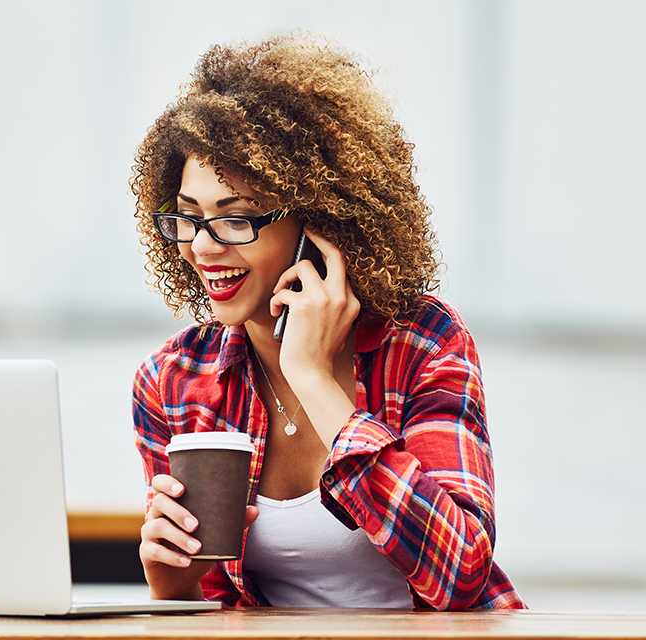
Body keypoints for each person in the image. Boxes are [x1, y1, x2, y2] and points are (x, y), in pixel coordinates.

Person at [127, 32, 527, 611]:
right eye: (188, 218)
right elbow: (218, 601)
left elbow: (461, 571)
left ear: (317, 221)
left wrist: (315, 381)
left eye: (236, 219)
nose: (203, 247)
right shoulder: (174, 379)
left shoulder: (422, 344)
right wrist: (175, 583)